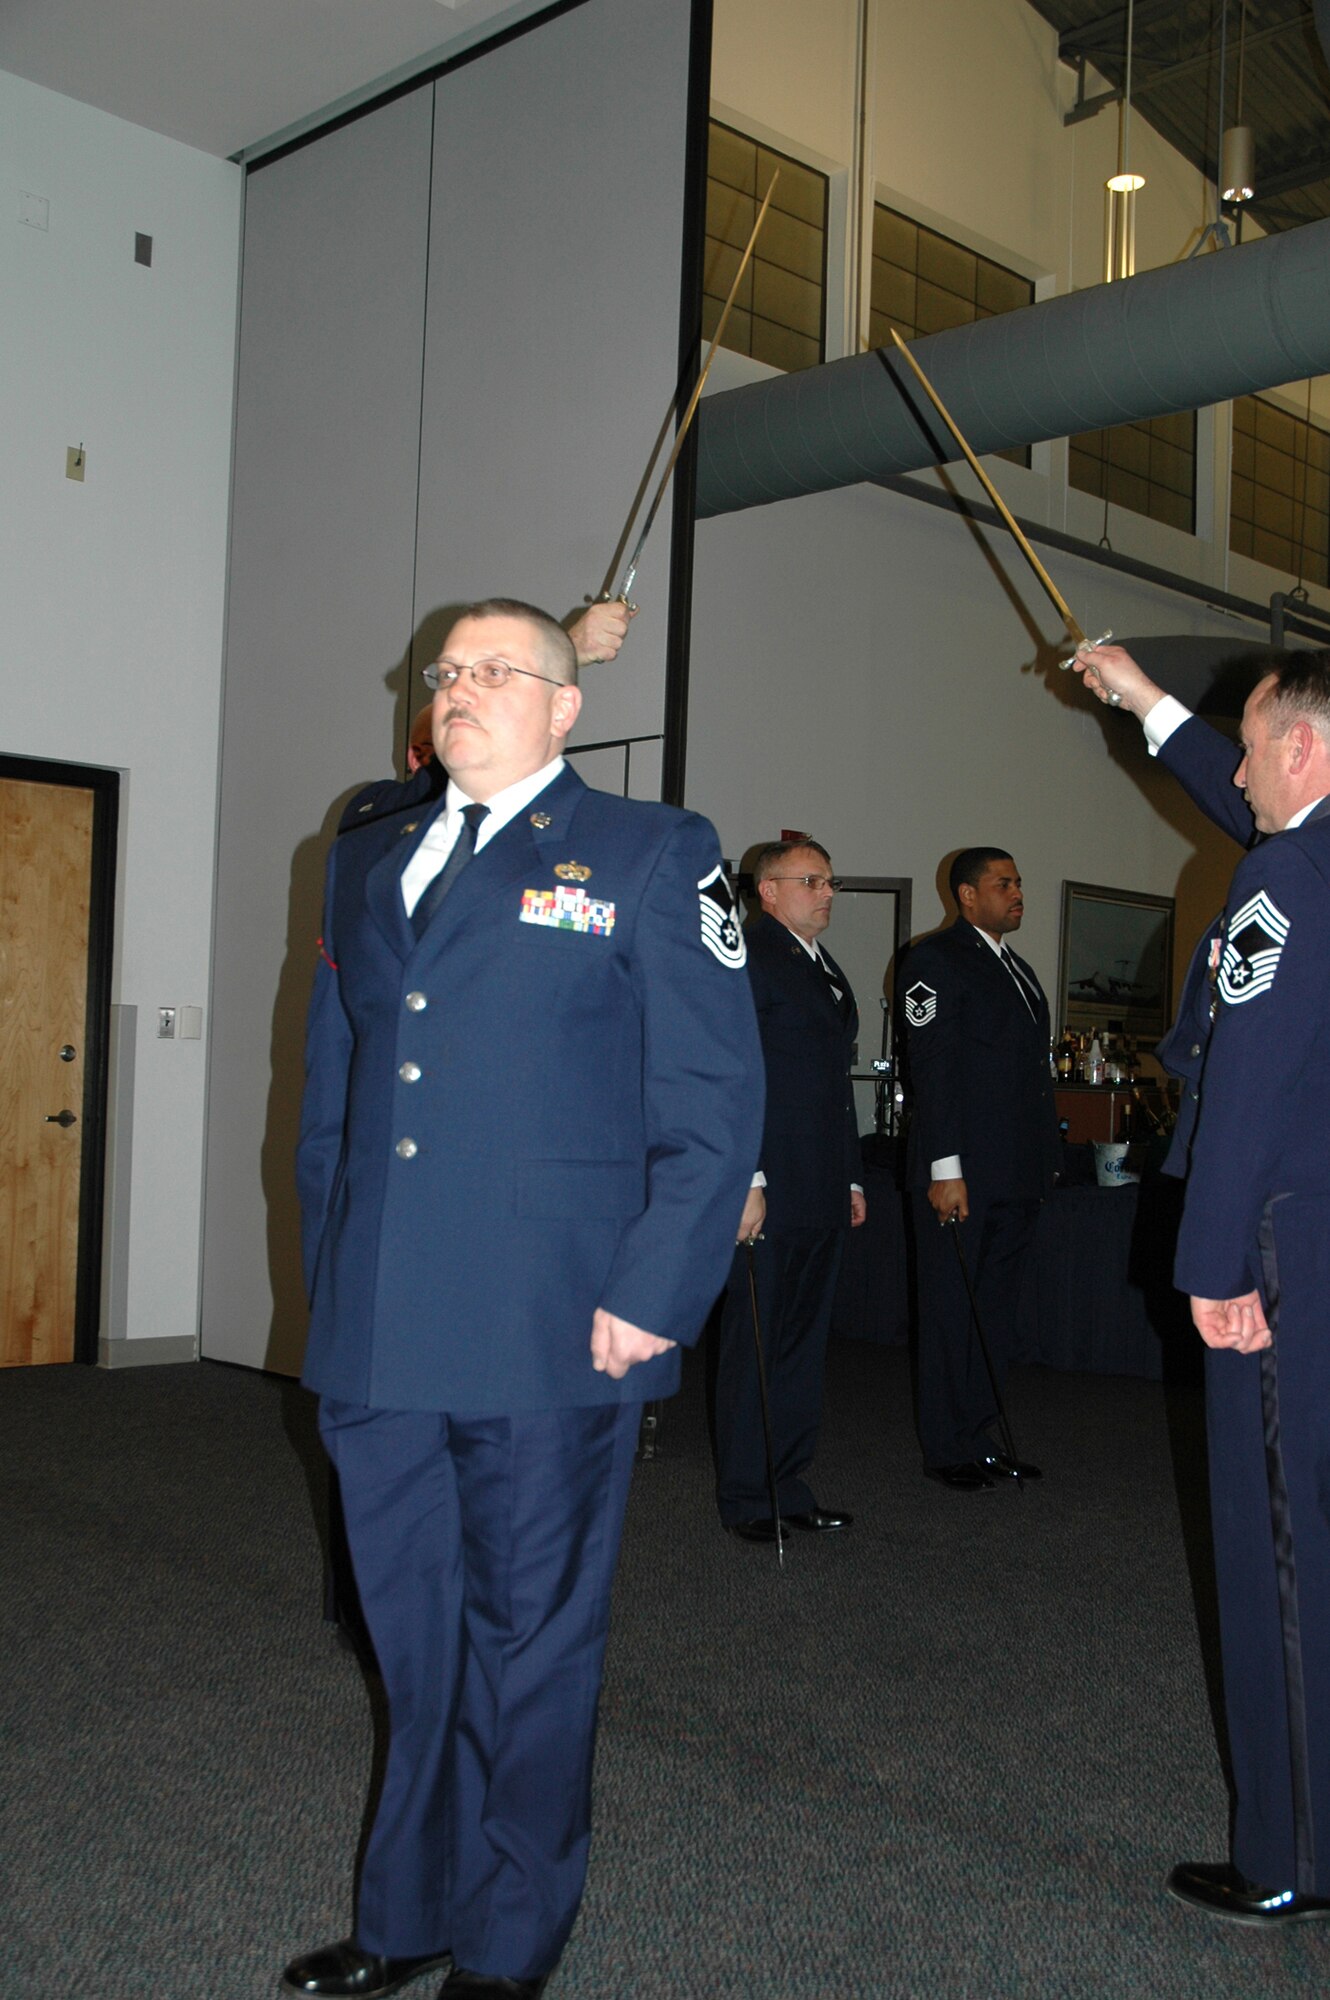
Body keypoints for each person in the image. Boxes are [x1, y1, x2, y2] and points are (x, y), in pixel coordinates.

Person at [285, 597, 763, 1999]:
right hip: (381, 1324)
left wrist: (655, 1291)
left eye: (499, 670)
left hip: (559, 1322)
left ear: (566, 704)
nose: (461, 689)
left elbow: (712, 1094)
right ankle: (407, 1915)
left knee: (530, 1650)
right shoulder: (364, 853)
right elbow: (333, 1089)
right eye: (446, 670)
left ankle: (506, 1942)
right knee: (414, 1638)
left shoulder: (649, 850)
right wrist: (329, 1279)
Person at [1075, 640, 1330, 1926]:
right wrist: (1144, 701)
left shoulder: (1288, 875)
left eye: (1249, 741)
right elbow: (1252, 804)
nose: (1232, 772)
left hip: (1287, 1244)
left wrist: (1212, 1262)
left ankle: (1292, 1854)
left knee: (1282, 1547)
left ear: (1302, 747)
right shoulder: (1313, 850)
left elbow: (1246, 1089)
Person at [712, 839, 864, 1542]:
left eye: (829, 880)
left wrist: (852, 1175)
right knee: (757, 1343)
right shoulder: (746, 959)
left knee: (801, 1343)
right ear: (766, 891)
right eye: (811, 880)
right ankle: (747, 1496)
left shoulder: (822, 967)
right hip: (768, 1184)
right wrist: (746, 1177)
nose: (827, 891)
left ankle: (789, 1482)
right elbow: (730, 1074)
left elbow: (833, 1086)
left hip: (821, 1184)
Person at [902, 849, 1058, 1489]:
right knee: (950, 1311)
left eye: (1019, 882)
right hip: (961, 1174)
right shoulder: (934, 960)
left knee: (994, 1312)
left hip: (1015, 1175)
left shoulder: (1017, 968)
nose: (1017, 892)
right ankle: (945, 1448)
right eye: (1003, 883)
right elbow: (931, 1069)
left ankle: (979, 1433)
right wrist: (945, 1166)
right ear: (967, 896)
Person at [339, 599, 635, 833]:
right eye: (447, 675)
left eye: (491, 673)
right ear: (415, 758)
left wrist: (558, 658)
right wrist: (569, 648)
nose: (458, 694)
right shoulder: (374, 811)